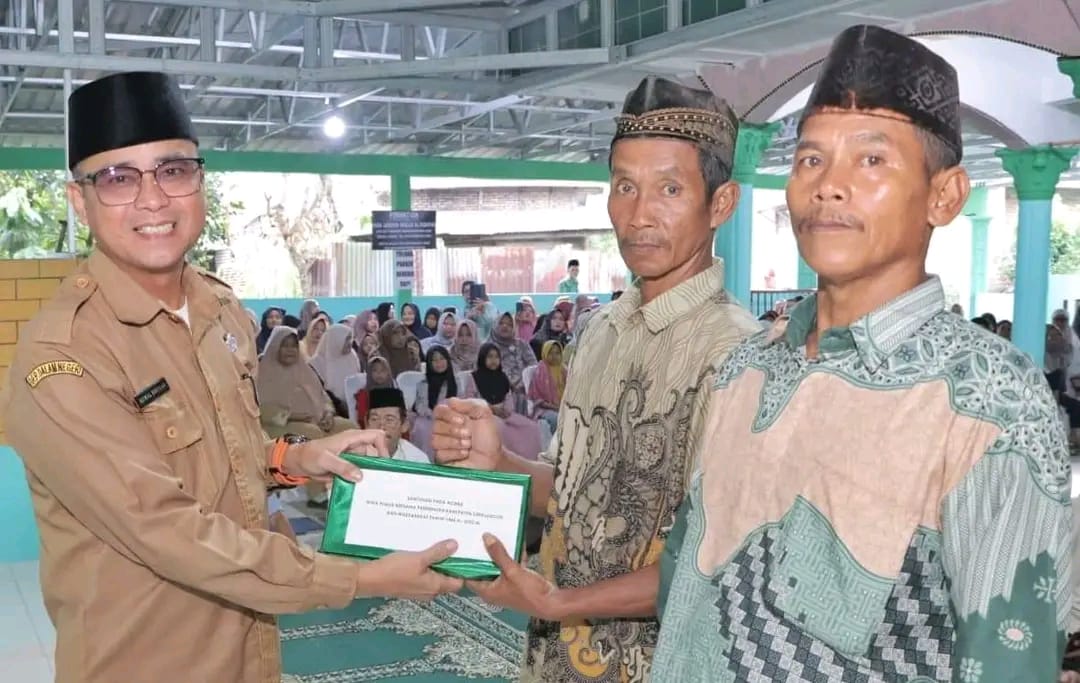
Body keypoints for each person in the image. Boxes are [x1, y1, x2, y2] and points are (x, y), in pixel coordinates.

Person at [1, 71, 462, 683]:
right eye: (117, 178)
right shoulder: (65, 354)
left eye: (173, 170)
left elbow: (221, 456)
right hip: (144, 663)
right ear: (79, 201)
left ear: (200, 182)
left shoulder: (219, 310)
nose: (152, 199)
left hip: (250, 650)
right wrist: (360, 577)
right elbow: (166, 529)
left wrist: (298, 459)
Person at [650, 26, 1071, 681]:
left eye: (871, 160)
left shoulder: (987, 399)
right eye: (810, 160)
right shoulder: (746, 366)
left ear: (945, 196)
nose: (829, 186)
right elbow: (682, 590)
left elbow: (1007, 659)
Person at [431, 74, 759, 682]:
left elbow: (715, 559)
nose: (639, 215)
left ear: (721, 203)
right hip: (555, 657)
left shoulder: (739, 354)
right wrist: (498, 461)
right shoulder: (600, 330)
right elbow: (570, 493)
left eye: (669, 189)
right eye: (625, 187)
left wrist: (560, 602)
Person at [367, 387, 429, 463]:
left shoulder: (417, 460)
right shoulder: (357, 454)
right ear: (367, 424)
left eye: (389, 419)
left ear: (404, 425)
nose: (381, 427)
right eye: (374, 419)